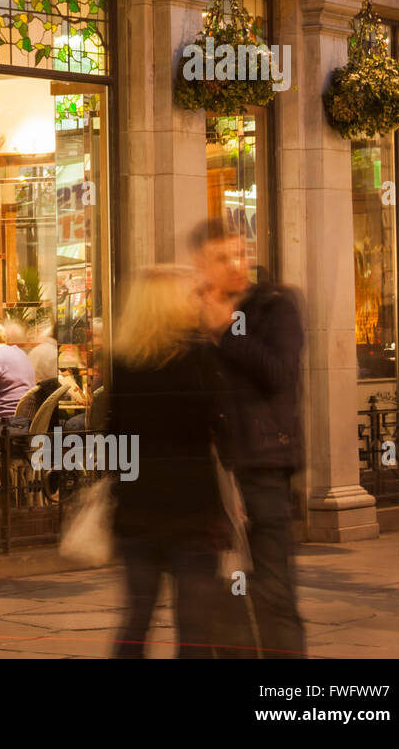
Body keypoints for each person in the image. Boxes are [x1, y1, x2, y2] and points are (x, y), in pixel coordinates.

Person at [191, 218, 307, 658]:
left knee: (274, 590)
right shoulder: (196, 310)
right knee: (224, 594)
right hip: (214, 471)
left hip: (264, 464)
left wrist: (226, 330)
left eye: (241, 252)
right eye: (222, 257)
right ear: (202, 264)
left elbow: (277, 374)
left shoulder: (274, 305)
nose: (236, 263)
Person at [108, 265, 235, 659]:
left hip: (137, 511)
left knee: (137, 616)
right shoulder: (199, 358)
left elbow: (115, 441)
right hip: (192, 511)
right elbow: (224, 429)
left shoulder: (124, 363)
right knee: (195, 624)